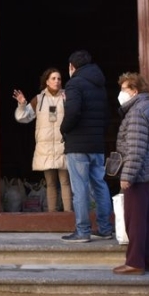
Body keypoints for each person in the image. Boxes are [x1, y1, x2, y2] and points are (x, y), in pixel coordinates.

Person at [112, 72, 149, 275]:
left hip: (140, 174)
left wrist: (127, 175)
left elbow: (135, 148)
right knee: (148, 218)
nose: (121, 93)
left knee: (135, 219)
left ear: (134, 91)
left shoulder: (137, 112)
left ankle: (135, 262)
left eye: (124, 89)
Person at [59, 50, 114, 242]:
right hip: (97, 143)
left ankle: (82, 231)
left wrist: (63, 129)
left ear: (72, 67)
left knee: (80, 187)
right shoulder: (99, 84)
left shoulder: (74, 83)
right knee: (100, 184)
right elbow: (106, 115)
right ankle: (105, 228)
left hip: (78, 145)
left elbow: (72, 113)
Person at [12, 68, 73, 212]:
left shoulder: (67, 96)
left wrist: (68, 104)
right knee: (50, 183)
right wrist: (21, 104)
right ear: (46, 81)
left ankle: (68, 216)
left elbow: (75, 115)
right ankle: (52, 216)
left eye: (59, 79)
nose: (57, 81)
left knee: (65, 182)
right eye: (53, 78)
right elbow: (23, 117)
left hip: (63, 146)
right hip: (45, 148)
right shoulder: (39, 99)